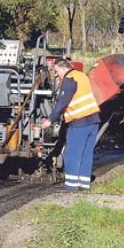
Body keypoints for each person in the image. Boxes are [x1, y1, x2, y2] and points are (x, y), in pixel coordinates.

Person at [41, 60, 100, 191]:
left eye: (57, 72)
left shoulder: (69, 79)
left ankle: (71, 187)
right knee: (86, 153)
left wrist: (50, 120)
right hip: (93, 121)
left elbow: (62, 102)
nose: (58, 75)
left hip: (80, 123)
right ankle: (84, 185)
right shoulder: (82, 76)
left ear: (62, 69)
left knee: (71, 154)